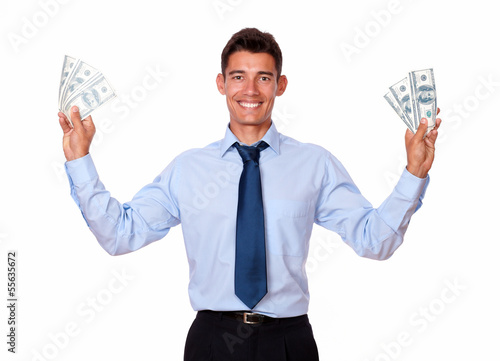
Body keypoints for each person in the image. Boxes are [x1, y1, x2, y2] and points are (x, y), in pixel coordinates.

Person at [57, 28, 441, 361]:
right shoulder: (188, 169)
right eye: (238, 76)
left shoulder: (314, 164)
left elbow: (376, 240)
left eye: (263, 78)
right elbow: (119, 234)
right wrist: (80, 160)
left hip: (290, 342)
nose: (250, 90)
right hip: (212, 343)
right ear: (221, 84)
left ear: (280, 85)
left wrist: (413, 173)